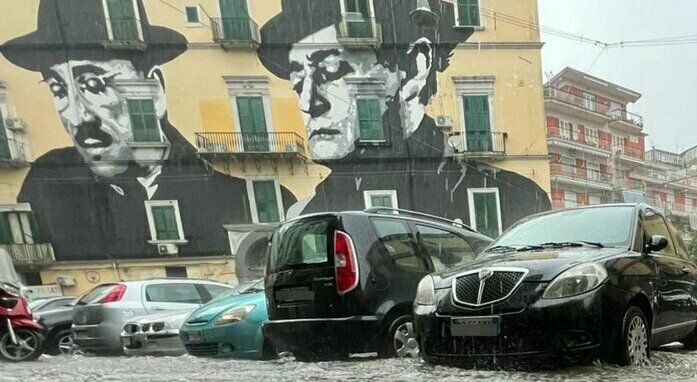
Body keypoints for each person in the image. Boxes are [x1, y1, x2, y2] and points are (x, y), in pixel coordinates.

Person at [1, 0, 293, 260]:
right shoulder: (45, 183)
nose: (79, 118)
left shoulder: (232, 192)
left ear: (156, 92)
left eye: (93, 85)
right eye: (59, 88)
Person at [258, 0, 549, 228]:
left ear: (417, 67)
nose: (308, 102)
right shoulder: (307, 212)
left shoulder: (520, 195)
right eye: (298, 81)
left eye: (331, 70)